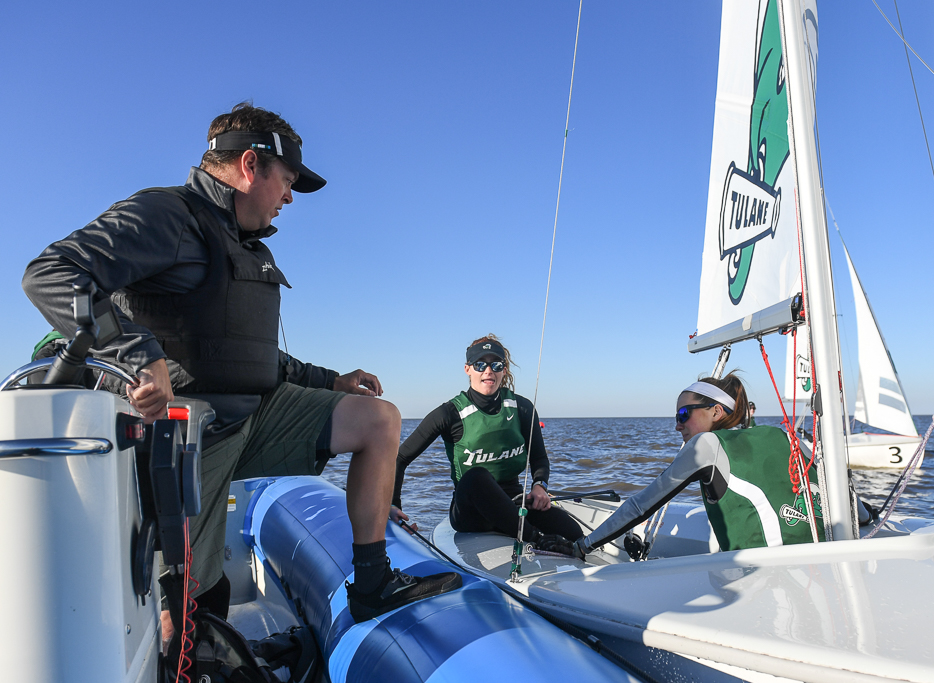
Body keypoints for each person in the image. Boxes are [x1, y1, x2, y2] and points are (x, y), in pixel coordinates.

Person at [21, 103, 459, 630]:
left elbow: (245, 355)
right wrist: (140, 355)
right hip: (192, 436)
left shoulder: (243, 241)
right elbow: (49, 272)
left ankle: (371, 583)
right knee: (195, 598)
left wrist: (332, 381)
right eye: (287, 181)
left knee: (379, 419)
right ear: (251, 165)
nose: (290, 197)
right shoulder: (168, 214)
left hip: (257, 414)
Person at [572, 373, 824, 558]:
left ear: (716, 412)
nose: (677, 425)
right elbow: (839, 495)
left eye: (683, 415)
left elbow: (640, 506)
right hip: (824, 564)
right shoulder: (785, 436)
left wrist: (583, 545)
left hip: (766, 578)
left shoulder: (707, 444)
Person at [391, 335, 582, 552]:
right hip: (470, 513)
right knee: (477, 476)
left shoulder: (523, 408)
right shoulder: (448, 413)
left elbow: (538, 458)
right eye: (480, 364)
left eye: (496, 364)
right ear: (468, 369)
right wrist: (393, 504)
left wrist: (540, 486)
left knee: (573, 532)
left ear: (504, 370)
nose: (488, 370)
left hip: (514, 503)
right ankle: (535, 539)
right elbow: (400, 458)